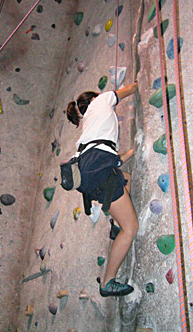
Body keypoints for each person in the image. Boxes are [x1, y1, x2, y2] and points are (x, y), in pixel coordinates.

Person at [66, 81, 139, 297]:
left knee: (125, 179)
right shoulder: (101, 100)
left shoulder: (88, 128)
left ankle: (116, 226)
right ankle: (107, 283)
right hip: (97, 171)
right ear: (94, 98)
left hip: (88, 171)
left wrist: (134, 150)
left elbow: (113, 161)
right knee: (132, 228)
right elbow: (129, 90)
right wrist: (140, 81)